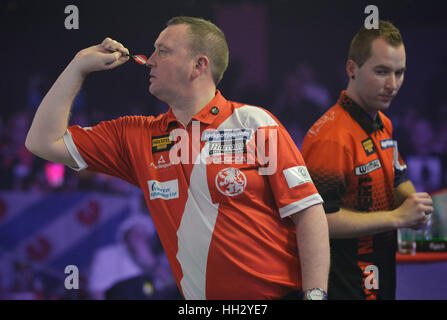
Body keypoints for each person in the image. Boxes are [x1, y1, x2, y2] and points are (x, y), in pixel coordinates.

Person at [25, 16, 330, 299]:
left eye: (163, 51)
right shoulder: (135, 135)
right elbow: (42, 142)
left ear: (198, 66)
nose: (150, 61)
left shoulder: (254, 123)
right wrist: (77, 66)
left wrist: (316, 296)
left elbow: (308, 213)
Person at [301, 21, 433, 300]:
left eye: (400, 73)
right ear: (352, 69)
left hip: (381, 276)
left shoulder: (382, 123)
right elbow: (318, 221)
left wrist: (414, 203)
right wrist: (398, 217)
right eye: (382, 72)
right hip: (345, 285)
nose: (393, 84)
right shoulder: (330, 137)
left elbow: (397, 176)